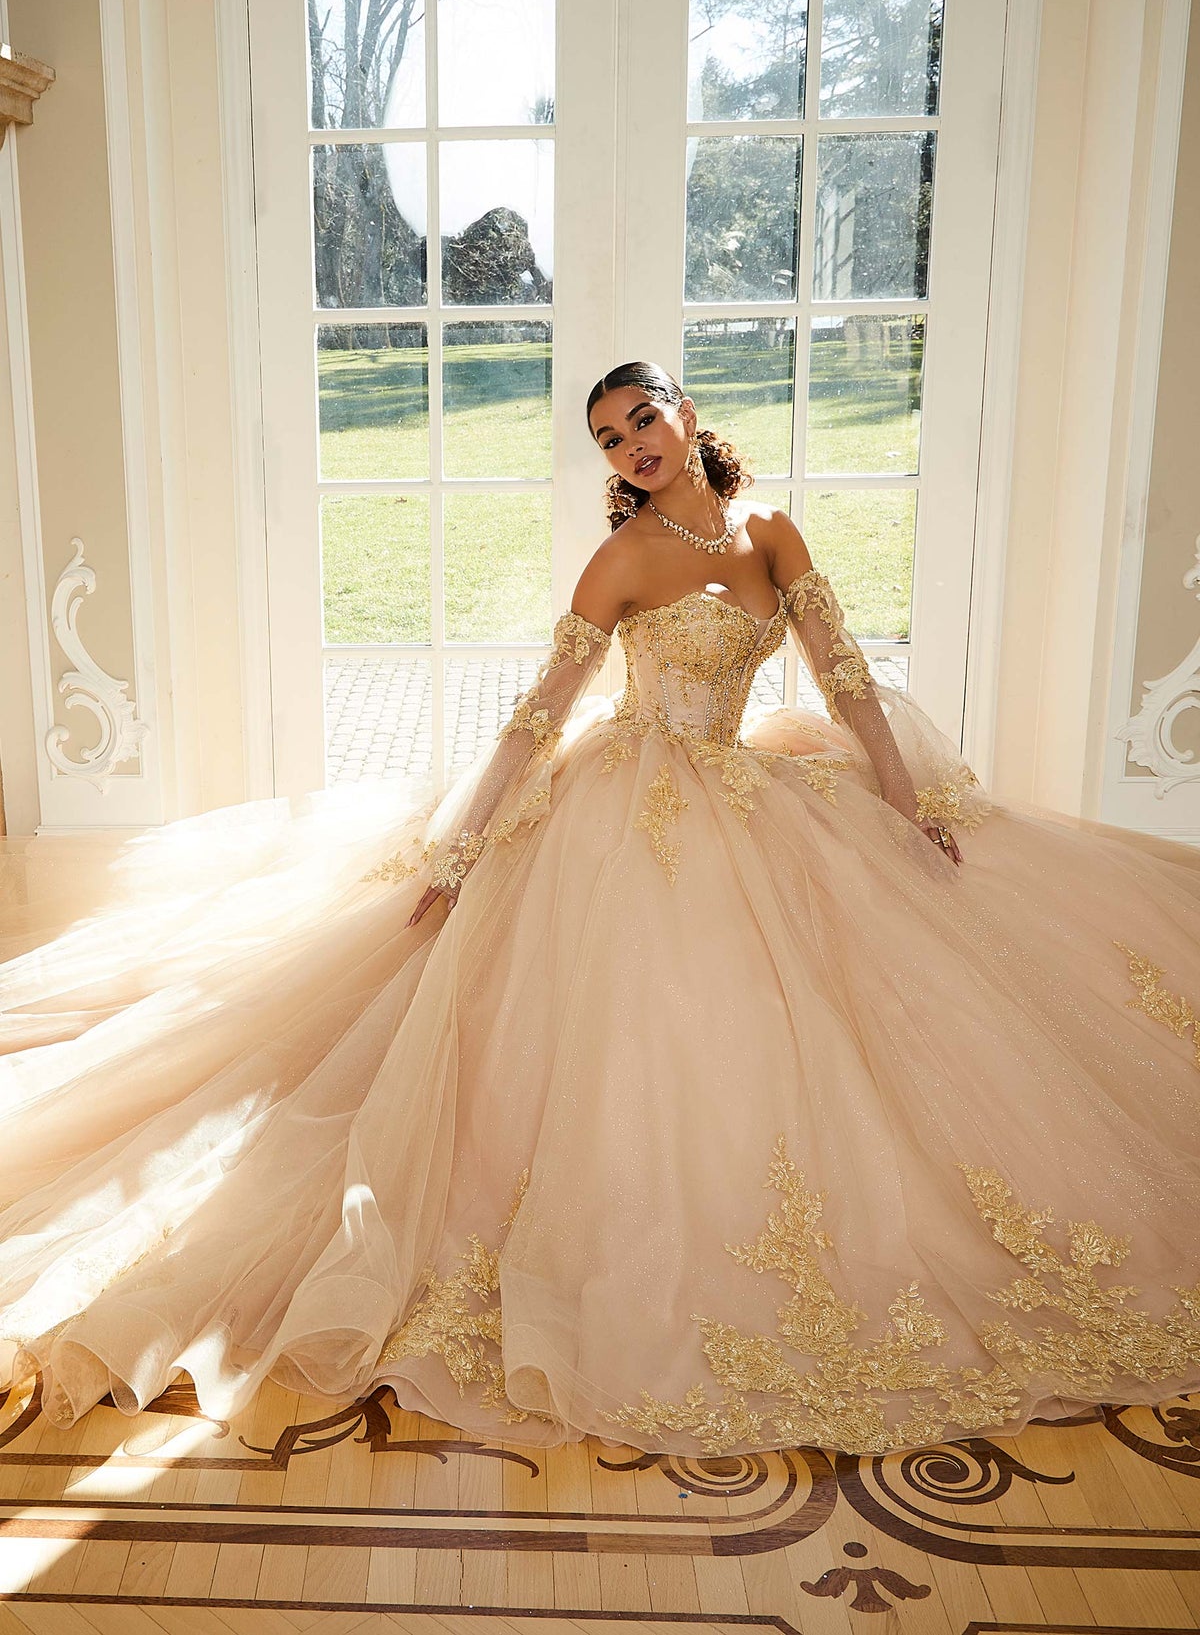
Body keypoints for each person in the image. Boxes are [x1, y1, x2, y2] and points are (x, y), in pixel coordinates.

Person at [1, 360, 1199, 1461]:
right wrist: (462, 847)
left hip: (756, 787)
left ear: (688, 414)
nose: (630, 446)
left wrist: (900, 798)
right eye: (609, 440)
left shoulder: (773, 532)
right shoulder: (618, 562)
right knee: (633, 1017)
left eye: (643, 419)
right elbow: (540, 709)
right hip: (627, 801)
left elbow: (844, 677)